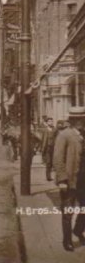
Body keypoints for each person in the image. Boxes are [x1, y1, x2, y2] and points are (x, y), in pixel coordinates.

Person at [53, 106, 85, 252]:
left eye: (82, 119)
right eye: (77, 119)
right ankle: (67, 240)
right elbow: (58, 158)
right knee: (68, 211)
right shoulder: (64, 135)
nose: (80, 122)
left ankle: (78, 230)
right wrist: (61, 180)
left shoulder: (83, 135)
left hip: (83, 180)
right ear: (71, 120)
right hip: (70, 179)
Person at [41, 117, 56, 182]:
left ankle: (54, 176)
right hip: (47, 148)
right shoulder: (45, 130)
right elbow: (42, 140)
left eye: (51, 121)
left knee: (53, 162)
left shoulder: (55, 129)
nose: (51, 122)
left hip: (53, 148)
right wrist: (42, 148)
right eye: (49, 121)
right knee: (48, 162)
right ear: (47, 123)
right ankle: (48, 176)